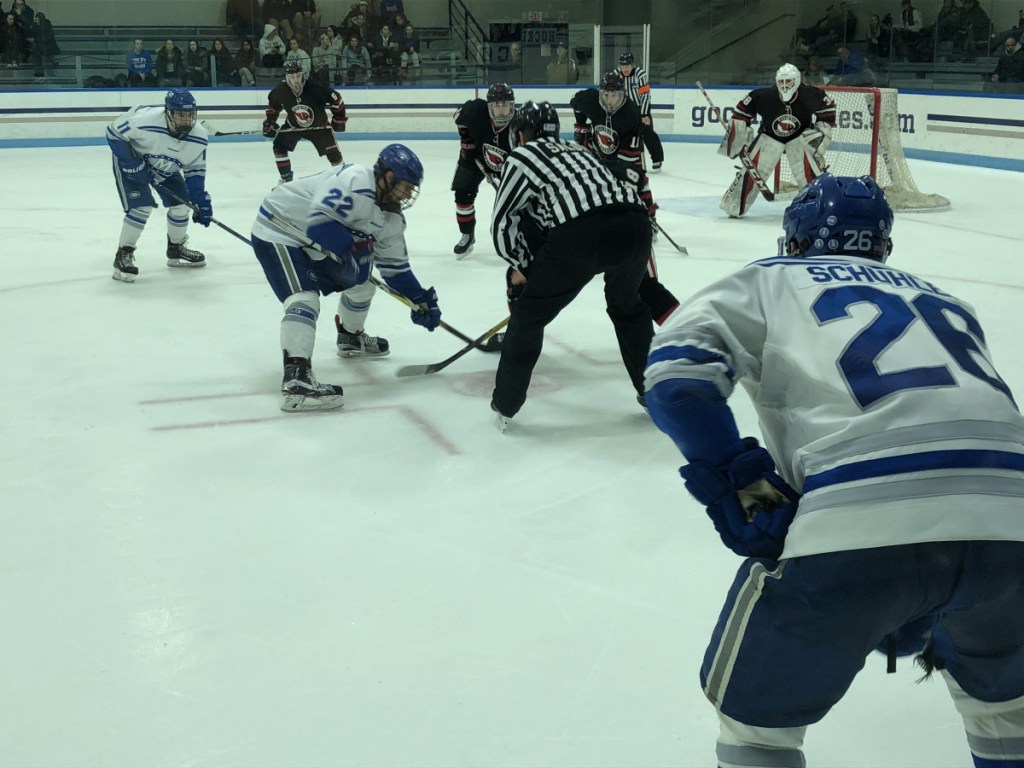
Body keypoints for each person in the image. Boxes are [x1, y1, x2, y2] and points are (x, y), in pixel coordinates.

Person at [643, 172, 1024, 768]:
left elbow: (676, 385)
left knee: (756, 730)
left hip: (858, 515)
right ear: (885, 245)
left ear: (793, 239)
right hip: (1014, 520)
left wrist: (742, 485)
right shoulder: (950, 301)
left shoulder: (767, 280)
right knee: (1009, 712)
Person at [489, 101, 654, 431]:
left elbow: (502, 224)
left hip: (582, 235)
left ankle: (505, 403)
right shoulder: (580, 151)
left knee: (528, 317)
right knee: (628, 307)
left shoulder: (523, 156)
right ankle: (655, 391)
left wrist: (522, 267)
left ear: (520, 134)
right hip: (637, 227)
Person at [250, 144, 442, 411]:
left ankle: (350, 337)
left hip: (313, 241)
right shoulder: (356, 180)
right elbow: (321, 222)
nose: (408, 194)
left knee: (363, 285)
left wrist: (419, 298)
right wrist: (355, 255)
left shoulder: (391, 219)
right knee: (304, 298)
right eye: (405, 186)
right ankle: (297, 378)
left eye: (411, 189)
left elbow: (395, 269)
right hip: (280, 229)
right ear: (388, 176)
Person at [571, 71, 680, 325]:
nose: (610, 100)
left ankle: (660, 303)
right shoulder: (589, 100)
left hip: (622, 171)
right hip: (602, 176)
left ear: (623, 95)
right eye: (606, 94)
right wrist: (582, 130)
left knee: (643, 280)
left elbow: (635, 176)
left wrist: (647, 209)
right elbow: (576, 103)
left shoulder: (631, 116)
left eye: (615, 95)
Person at [106, 88, 213, 282]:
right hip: (133, 159)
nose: (185, 120)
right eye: (180, 115)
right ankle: (124, 253)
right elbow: (113, 132)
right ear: (168, 112)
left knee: (182, 204)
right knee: (142, 206)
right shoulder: (144, 122)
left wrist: (201, 202)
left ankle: (176, 248)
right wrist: (132, 164)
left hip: (164, 168)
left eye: (189, 115)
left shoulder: (199, 137)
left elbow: (195, 173)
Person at [718, 63, 836, 218]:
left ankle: (820, 204)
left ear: (797, 80)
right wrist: (738, 134)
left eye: (789, 82)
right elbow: (742, 111)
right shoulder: (765, 96)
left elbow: (828, 113)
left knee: (807, 173)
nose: (785, 86)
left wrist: (820, 133)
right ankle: (734, 205)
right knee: (753, 171)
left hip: (799, 139)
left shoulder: (810, 95)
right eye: (781, 82)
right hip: (770, 137)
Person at [449, 81, 516, 258]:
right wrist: (467, 143)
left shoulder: (520, 125)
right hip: (476, 158)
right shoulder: (476, 113)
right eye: (496, 106)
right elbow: (458, 118)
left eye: (505, 106)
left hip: (510, 166)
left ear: (513, 106)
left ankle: (519, 236)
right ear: (488, 107)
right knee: (463, 194)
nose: (501, 111)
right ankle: (467, 235)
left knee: (516, 201)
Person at [263, 60, 348, 183]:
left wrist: (339, 119)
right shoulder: (280, 91)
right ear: (287, 78)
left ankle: (343, 181)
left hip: (319, 127)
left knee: (334, 156)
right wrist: (269, 122)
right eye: (292, 77)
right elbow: (273, 107)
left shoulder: (315, 88)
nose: (296, 80)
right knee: (279, 147)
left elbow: (337, 100)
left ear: (303, 75)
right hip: (294, 126)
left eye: (298, 76)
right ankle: (286, 179)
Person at [618, 52, 665, 172]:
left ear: (632, 65)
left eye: (627, 66)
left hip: (640, 108)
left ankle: (657, 159)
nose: (625, 69)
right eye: (623, 67)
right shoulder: (616, 74)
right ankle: (626, 158)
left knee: (648, 133)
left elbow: (645, 96)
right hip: (625, 110)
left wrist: (644, 114)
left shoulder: (640, 74)